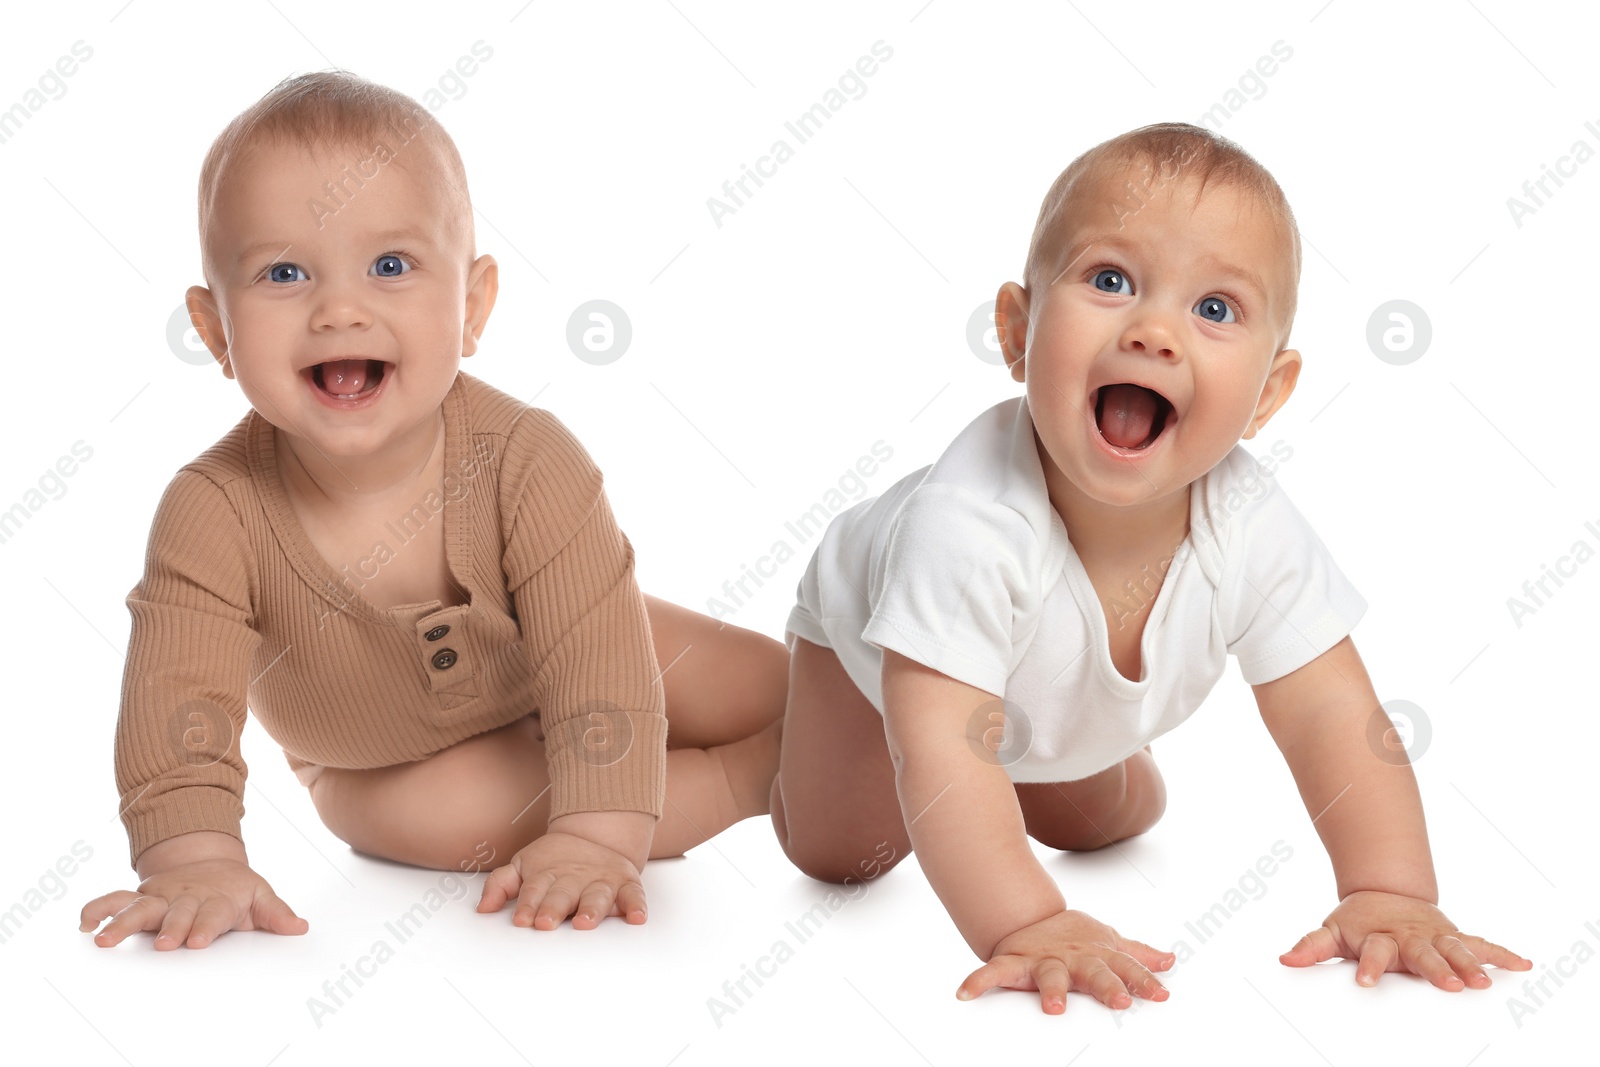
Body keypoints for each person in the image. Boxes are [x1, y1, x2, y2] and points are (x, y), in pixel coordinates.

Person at [770, 122, 1531, 1014]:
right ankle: (752, 744)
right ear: (1017, 332)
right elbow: (944, 745)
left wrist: (1393, 888)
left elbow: (1332, 711)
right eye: (1110, 280)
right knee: (840, 848)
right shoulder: (967, 528)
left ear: (1268, 395)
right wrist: (1023, 920)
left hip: (1036, 711)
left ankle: (1056, 770)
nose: (1156, 331)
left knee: (1106, 823)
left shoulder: (1247, 520)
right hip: (873, 659)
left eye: (1215, 309)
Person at [80, 71, 786, 951]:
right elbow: (178, 705)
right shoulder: (213, 510)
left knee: (767, 679)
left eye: (390, 266)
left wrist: (598, 812)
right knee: (463, 818)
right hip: (378, 759)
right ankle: (759, 777)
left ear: (473, 304)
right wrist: (193, 856)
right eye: (284, 272)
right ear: (217, 331)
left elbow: (601, 658)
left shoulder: (527, 457)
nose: (340, 309)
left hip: (560, 640)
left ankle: (851, 726)